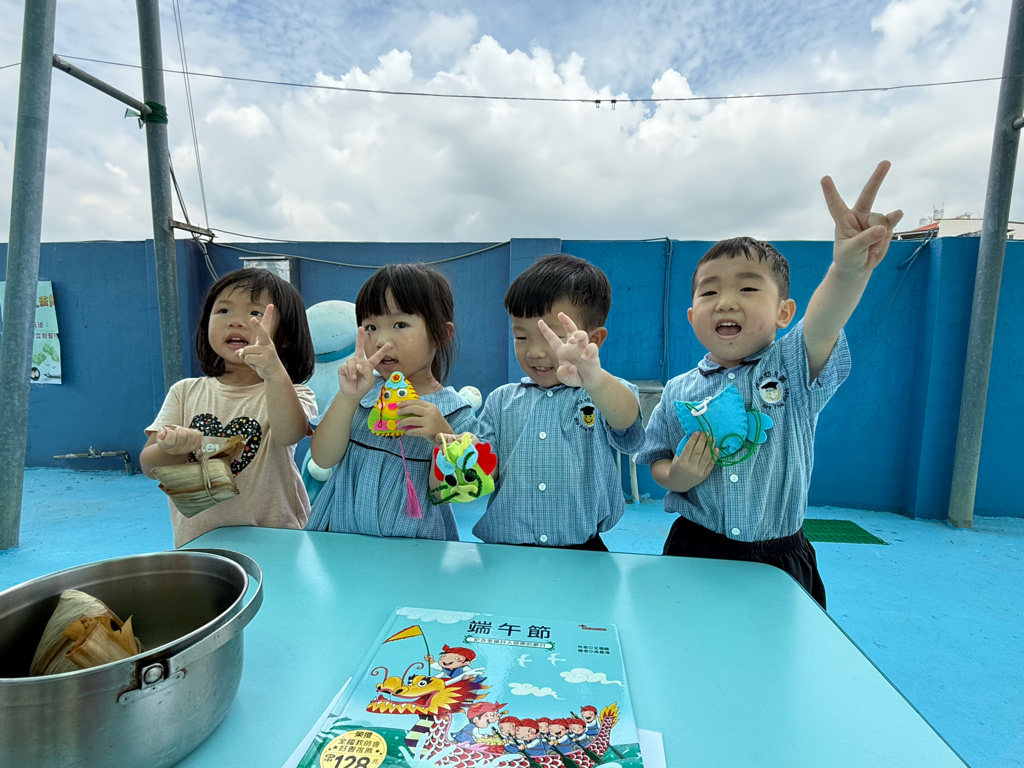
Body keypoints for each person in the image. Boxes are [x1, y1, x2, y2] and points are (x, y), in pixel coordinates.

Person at [635, 161, 903, 609]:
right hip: (694, 546)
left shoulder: (792, 367)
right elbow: (657, 458)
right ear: (692, 317)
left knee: (777, 649)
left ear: (784, 313)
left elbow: (825, 319)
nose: (726, 301)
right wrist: (676, 477)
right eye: (709, 292)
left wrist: (848, 270)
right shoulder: (678, 390)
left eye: (747, 289)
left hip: (779, 557)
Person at [470, 254, 645, 550]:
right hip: (505, 548)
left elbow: (626, 423)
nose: (535, 352)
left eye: (554, 337)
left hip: (582, 550)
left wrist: (594, 378)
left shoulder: (601, 392)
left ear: (594, 340)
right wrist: (462, 451)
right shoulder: (501, 401)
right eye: (521, 337)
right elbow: (488, 471)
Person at [141, 268, 317, 546]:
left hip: (277, 538)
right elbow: (149, 467)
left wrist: (273, 370)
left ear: (285, 336)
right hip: (199, 542)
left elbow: (289, 433)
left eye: (255, 313)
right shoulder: (184, 392)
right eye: (223, 310)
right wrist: (169, 448)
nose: (235, 321)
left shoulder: (293, 393)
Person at [304, 263, 476, 539]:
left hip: (414, 550)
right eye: (371, 327)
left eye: (400, 325)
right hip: (340, 542)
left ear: (441, 335)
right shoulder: (361, 394)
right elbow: (323, 458)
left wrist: (442, 438)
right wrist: (348, 398)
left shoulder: (455, 413)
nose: (381, 340)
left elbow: (452, 494)